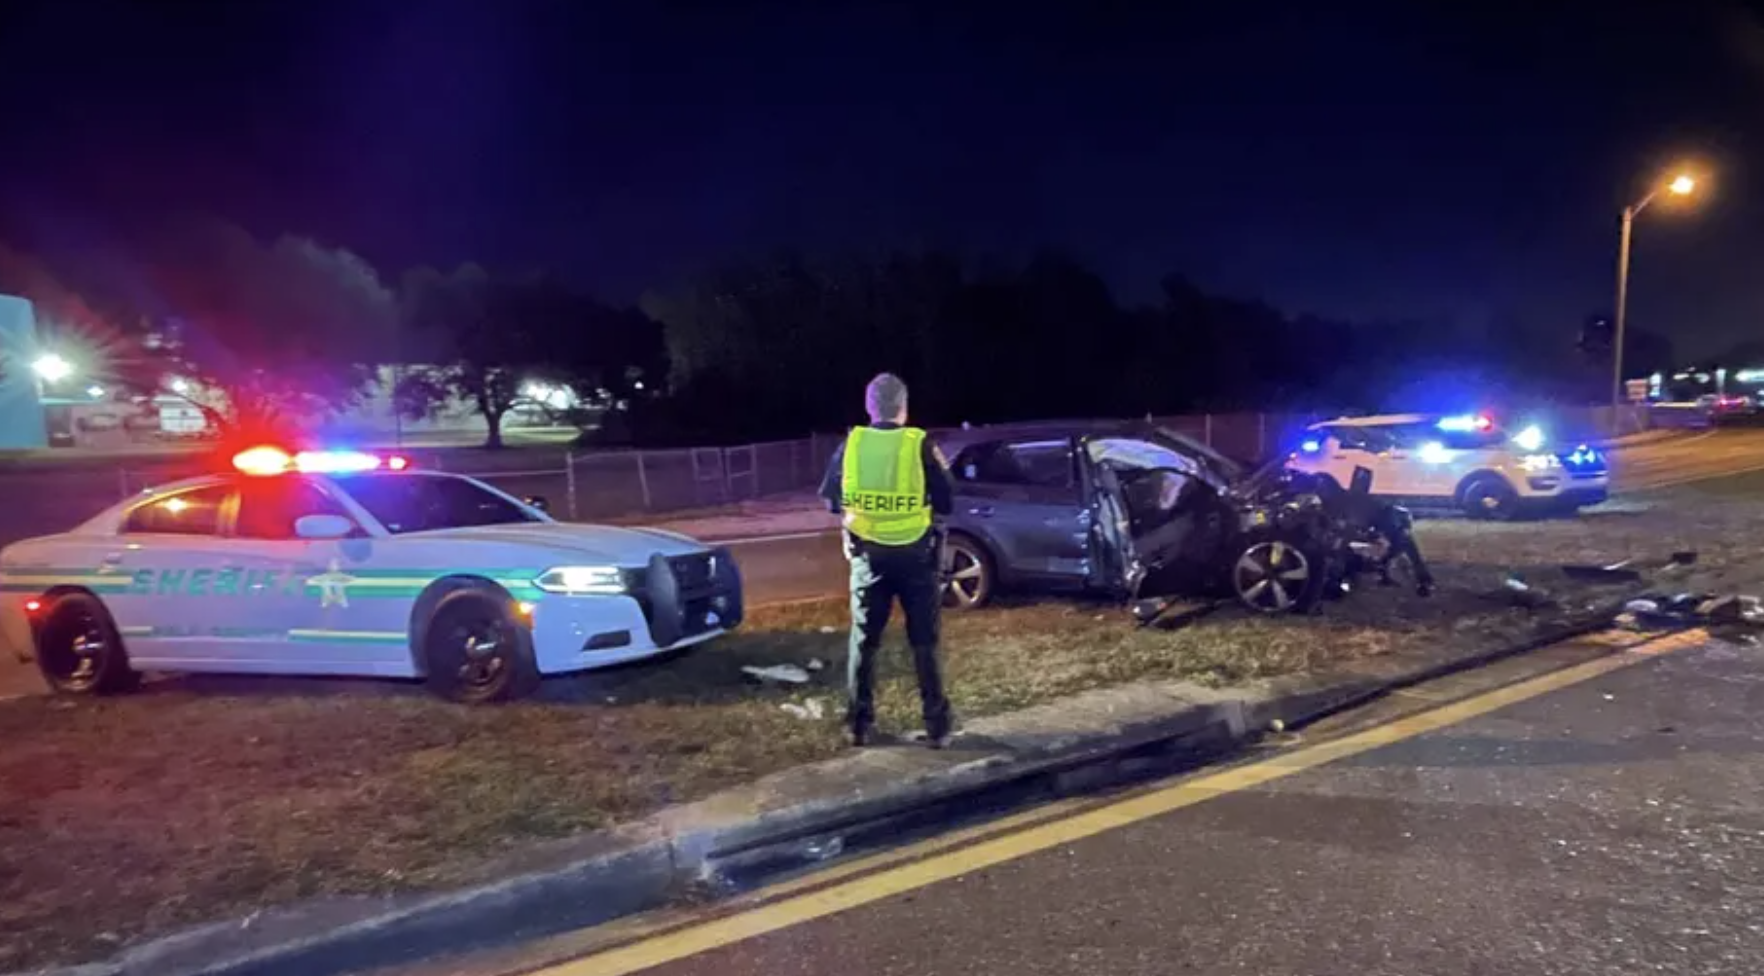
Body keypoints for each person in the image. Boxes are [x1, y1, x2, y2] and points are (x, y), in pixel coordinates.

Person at [819, 372, 956, 748]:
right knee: (924, 642)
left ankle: (858, 724)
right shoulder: (919, 443)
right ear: (904, 407)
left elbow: (832, 499)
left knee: (864, 641)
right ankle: (936, 726)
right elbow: (947, 499)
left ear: (869, 407)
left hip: (868, 556)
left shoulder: (853, 443)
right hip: (915, 555)